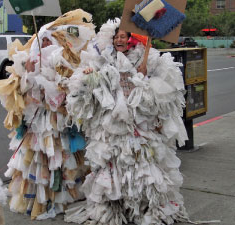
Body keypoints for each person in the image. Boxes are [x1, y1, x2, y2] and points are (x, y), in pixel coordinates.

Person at [64, 18, 189, 225]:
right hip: (112, 124)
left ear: (130, 39)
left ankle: (145, 208)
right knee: (113, 163)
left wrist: (144, 80)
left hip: (138, 123)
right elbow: (92, 76)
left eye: (123, 36)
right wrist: (89, 74)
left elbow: (162, 88)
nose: (119, 39)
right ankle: (116, 207)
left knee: (140, 164)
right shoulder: (104, 57)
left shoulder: (143, 57)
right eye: (116, 37)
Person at [0, 9, 96, 221]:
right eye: (42, 42)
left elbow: (71, 89)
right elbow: (23, 92)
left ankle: (65, 196)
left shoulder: (64, 62)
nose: (46, 45)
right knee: (41, 159)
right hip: (39, 121)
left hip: (59, 120)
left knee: (63, 158)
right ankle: (43, 199)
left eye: (49, 42)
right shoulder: (29, 63)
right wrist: (29, 71)